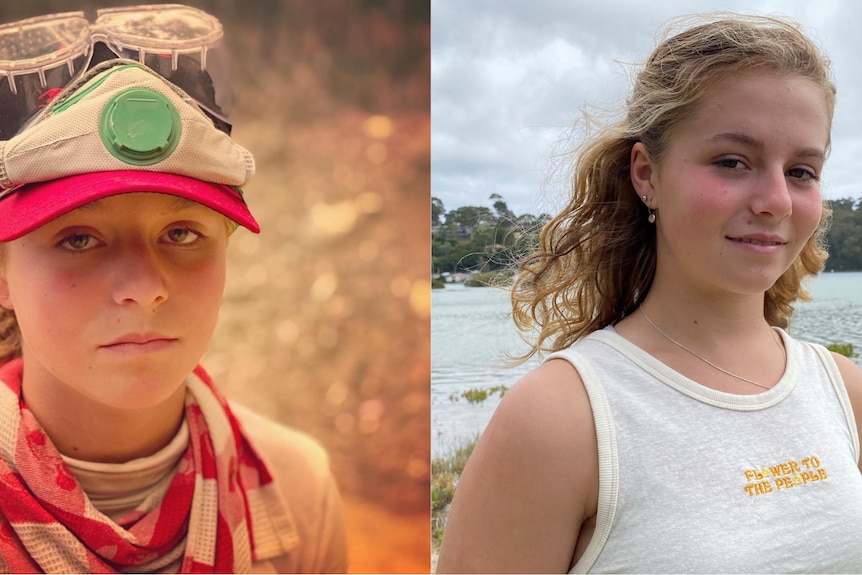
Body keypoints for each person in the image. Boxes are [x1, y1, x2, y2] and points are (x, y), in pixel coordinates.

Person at [436, 12, 862, 574]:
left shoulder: (845, 393)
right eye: (732, 161)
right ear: (646, 174)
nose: (777, 200)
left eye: (802, 170)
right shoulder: (560, 418)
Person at [0, 5, 346, 573]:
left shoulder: (300, 486)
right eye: (79, 239)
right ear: (3, 275)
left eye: (181, 233)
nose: (145, 288)